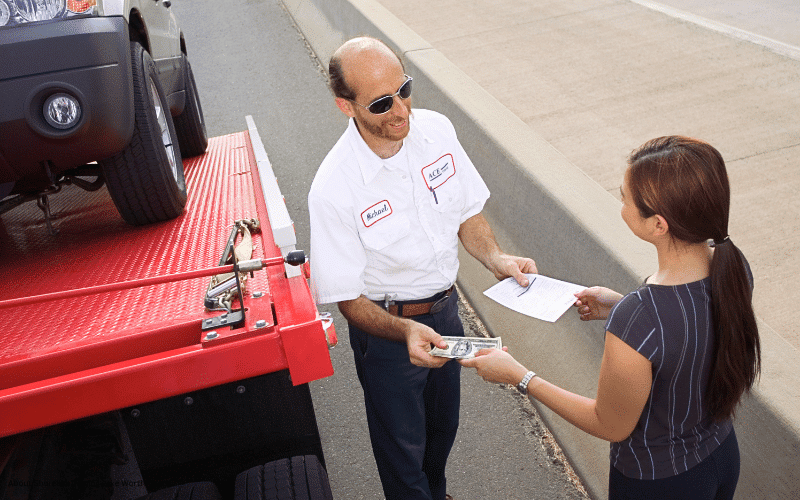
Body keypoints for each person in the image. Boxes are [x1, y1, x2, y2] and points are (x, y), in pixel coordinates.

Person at [460, 136, 761, 500]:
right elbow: (688, 336)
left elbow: (610, 424)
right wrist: (619, 306)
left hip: (658, 483)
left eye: (626, 198)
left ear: (659, 225)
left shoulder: (639, 318)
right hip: (721, 456)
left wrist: (519, 376)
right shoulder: (732, 267)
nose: (621, 204)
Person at [307, 37, 537, 500]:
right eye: (381, 102)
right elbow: (349, 298)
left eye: (405, 89)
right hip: (388, 332)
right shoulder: (333, 188)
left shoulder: (436, 131)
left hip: (447, 315)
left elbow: (467, 213)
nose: (401, 110)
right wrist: (405, 332)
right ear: (346, 106)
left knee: (440, 434)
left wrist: (496, 259)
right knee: (402, 452)